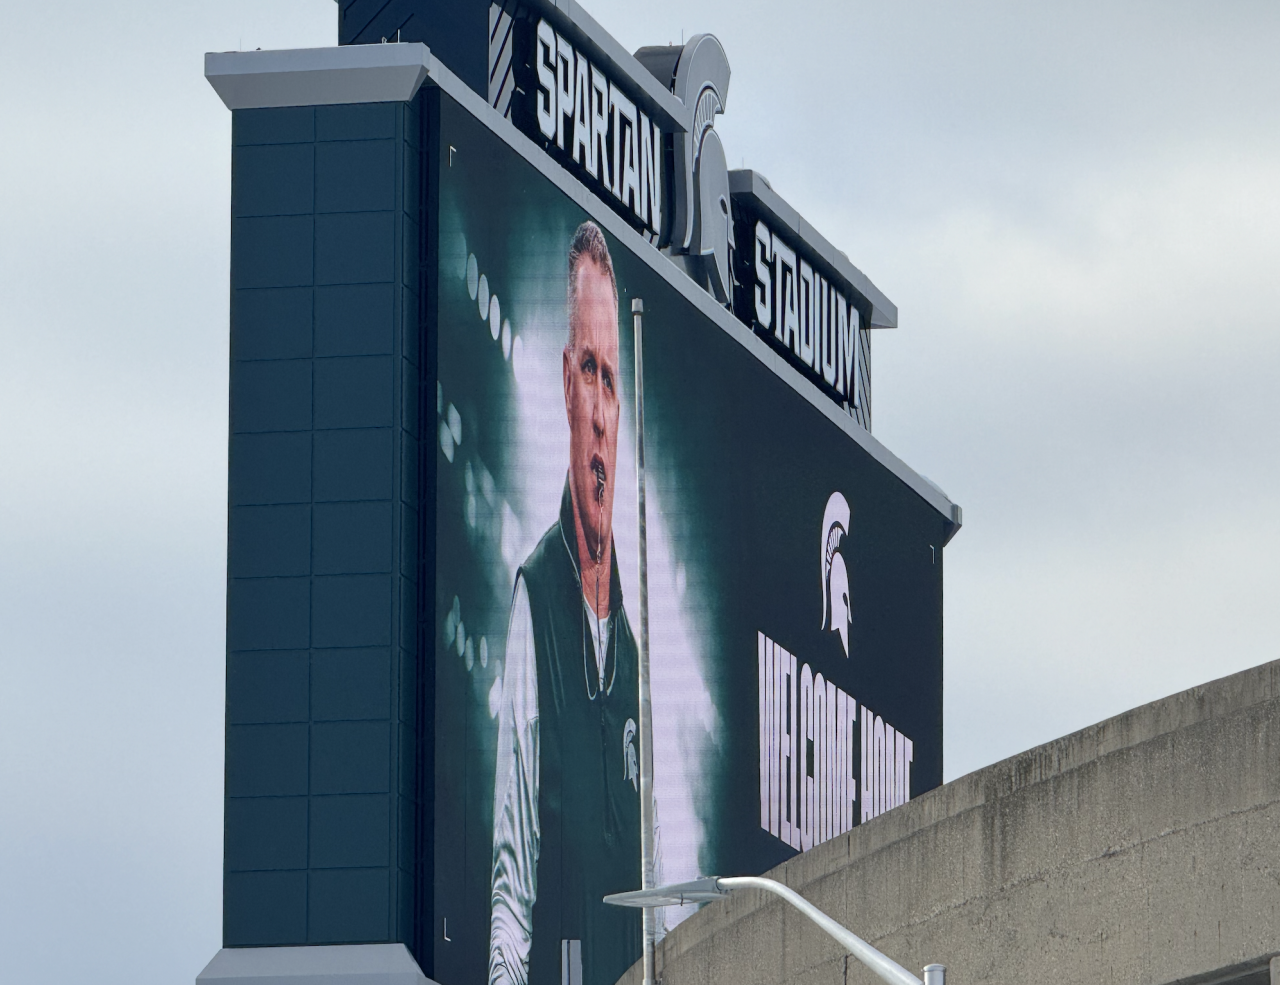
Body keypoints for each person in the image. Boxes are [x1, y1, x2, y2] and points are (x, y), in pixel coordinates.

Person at [489, 221, 643, 985]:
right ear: (564, 383)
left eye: (613, 378)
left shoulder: (640, 655)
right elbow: (512, 879)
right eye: (590, 369)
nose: (602, 411)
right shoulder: (538, 599)